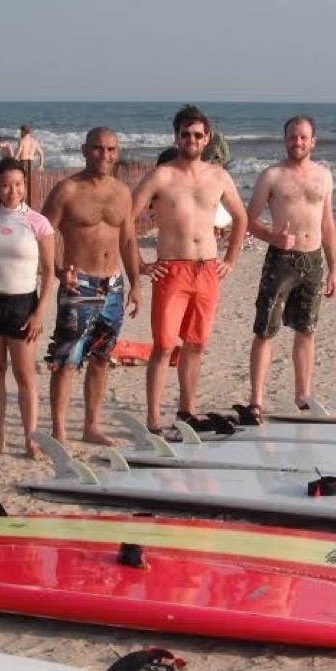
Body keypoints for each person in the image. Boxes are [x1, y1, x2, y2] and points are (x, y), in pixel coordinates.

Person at [131, 104, 246, 431]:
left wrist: (231, 260)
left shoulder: (219, 176)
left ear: (207, 138)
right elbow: (126, 218)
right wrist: (140, 263)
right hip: (172, 270)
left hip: (207, 270)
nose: (192, 139)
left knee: (195, 344)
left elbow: (241, 217)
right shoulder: (162, 175)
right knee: (164, 346)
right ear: (177, 137)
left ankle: (187, 409)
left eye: (198, 134)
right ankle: (153, 418)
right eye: (186, 134)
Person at [41, 127, 142, 445]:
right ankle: (59, 430)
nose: (105, 155)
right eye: (98, 149)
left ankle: (92, 426)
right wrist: (58, 271)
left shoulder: (123, 192)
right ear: (85, 150)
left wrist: (136, 283)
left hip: (113, 285)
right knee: (67, 361)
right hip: (79, 286)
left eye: (111, 149)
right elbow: (41, 235)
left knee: (101, 358)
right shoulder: (67, 190)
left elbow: (127, 239)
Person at [244, 115, 336, 418]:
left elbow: (328, 223)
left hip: (312, 261)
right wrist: (271, 236)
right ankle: (256, 400)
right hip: (281, 260)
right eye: (291, 137)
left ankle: (303, 395)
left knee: (306, 330)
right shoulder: (272, 176)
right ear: (284, 140)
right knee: (266, 331)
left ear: (313, 140)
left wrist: (334, 268)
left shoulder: (324, 176)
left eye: (302, 137)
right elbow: (249, 219)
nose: (296, 142)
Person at [0, 157, 55, 458]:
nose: (12, 190)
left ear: (25, 185)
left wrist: (39, 313)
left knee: (24, 375)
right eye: (5, 184)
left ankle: (31, 440)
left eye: (18, 184)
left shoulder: (38, 222)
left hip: (23, 304)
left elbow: (49, 271)